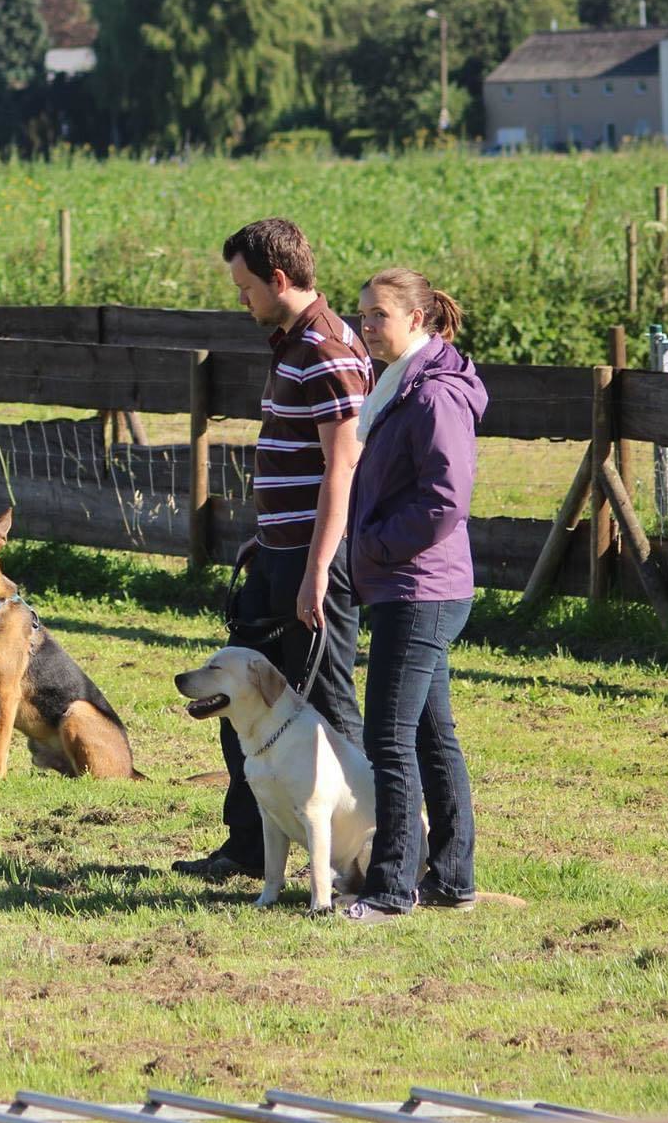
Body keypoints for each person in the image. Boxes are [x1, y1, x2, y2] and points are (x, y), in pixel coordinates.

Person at [174, 217, 369, 882]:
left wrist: (315, 569)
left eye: (246, 286)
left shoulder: (329, 348)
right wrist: (269, 534)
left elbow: (343, 467)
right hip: (278, 552)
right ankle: (249, 846)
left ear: (279, 280)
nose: (242, 299)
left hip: (314, 562)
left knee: (330, 706)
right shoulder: (293, 343)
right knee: (240, 695)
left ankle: (371, 853)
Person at [341, 268, 487, 923]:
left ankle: (391, 889)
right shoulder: (401, 385)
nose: (366, 325)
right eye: (362, 314)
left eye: (378, 315)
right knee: (430, 731)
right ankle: (452, 879)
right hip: (410, 581)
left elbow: (445, 498)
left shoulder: (433, 396)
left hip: (420, 585)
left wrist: (372, 546)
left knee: (388, 736)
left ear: (417, 320)